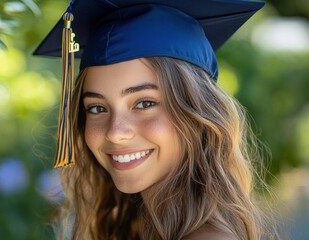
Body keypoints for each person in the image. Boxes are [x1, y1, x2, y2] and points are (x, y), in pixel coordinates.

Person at [34, 0, 279, 239]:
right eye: (97, 108)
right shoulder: (143, 227)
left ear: (198, 112)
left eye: (144, 103)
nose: (115, 132)